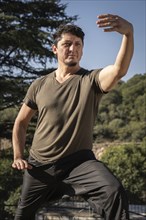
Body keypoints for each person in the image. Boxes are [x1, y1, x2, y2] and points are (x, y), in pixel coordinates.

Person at [12, 13, 134, 220]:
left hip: (79, 163)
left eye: (78, 44)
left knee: (113, 191)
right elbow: (21, 122)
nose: (73, 49)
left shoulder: (90, 80)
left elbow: (119, 71)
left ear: (82, 50)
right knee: (23, 215)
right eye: (67, 44)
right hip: (39, 165)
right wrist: (17, 156)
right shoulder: (39, 85)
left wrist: (128, 34)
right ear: (55, 49)